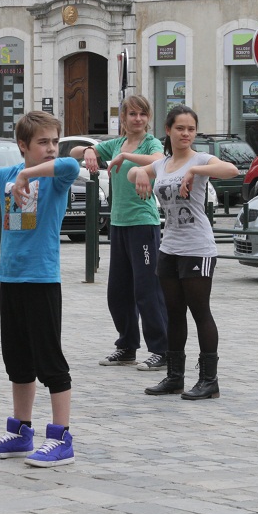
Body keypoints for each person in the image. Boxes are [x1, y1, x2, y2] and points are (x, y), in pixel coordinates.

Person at [0, 111, 80, 467]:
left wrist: (28, 173)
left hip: (42, 281)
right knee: (18, 361)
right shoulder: (6, 175)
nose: (52, 148)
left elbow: (70, 166)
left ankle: (61, 438)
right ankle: (21, 433)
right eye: (43, 143)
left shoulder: (54, 178)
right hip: (10, 280)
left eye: (55, 141)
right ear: (22, 145)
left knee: (49, 360)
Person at [128, 105, 238, 400]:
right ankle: (174, 377)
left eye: (191, 129)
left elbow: (232, 169)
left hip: (198, 248)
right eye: (180, 128)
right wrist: (139, 171)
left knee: (200, 312)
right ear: (168, 130)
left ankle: (209, 380)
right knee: (174, 314)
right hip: (169, 248)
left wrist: (195, 170)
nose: (186, 134)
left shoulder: (201, 159)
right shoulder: (163, 164)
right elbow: (134, 175)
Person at [70, 95, 168, 370]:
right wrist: (89, 151)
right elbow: (74, 153)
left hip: (143, 225)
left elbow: (158, 160)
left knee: (147, 290)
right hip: (119, 225)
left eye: (142, 114)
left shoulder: (151, 143)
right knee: (118, 292)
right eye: (132, 114)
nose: (137, 119)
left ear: (148, 118)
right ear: (122, 118)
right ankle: (127, 346)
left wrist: (125, 157)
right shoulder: (115, 144)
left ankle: (162, 349)